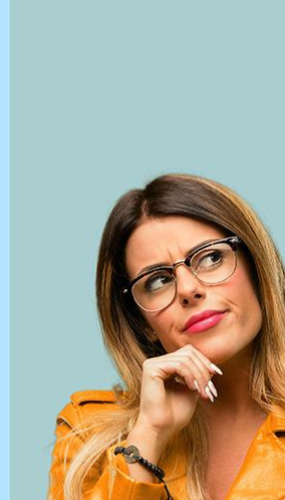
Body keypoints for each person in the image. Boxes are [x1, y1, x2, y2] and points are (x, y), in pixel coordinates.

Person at [48, 174, 285, 500]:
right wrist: (149, 436)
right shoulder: (86, 435)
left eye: (211, 258)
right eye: (158, 281)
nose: (188, 289)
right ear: (142, 321)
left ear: (256, 269)